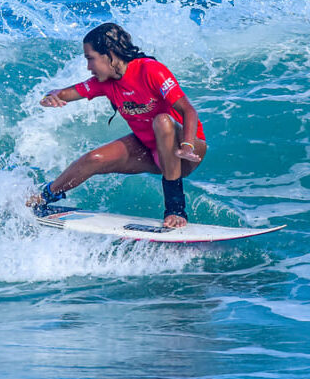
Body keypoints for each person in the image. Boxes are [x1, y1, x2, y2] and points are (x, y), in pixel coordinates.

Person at [26, 23, 206, 228]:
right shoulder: (105, 82)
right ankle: (42, 199)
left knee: (162, 121)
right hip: (151, 150)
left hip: (186, 149)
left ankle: (175, 209)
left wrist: (187, 146)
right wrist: (50, 97)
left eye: (90, 58)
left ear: (109, 54)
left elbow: (188, 110)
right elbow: (64, 92)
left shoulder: (150, 70)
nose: (88, 67)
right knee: (94, 159)